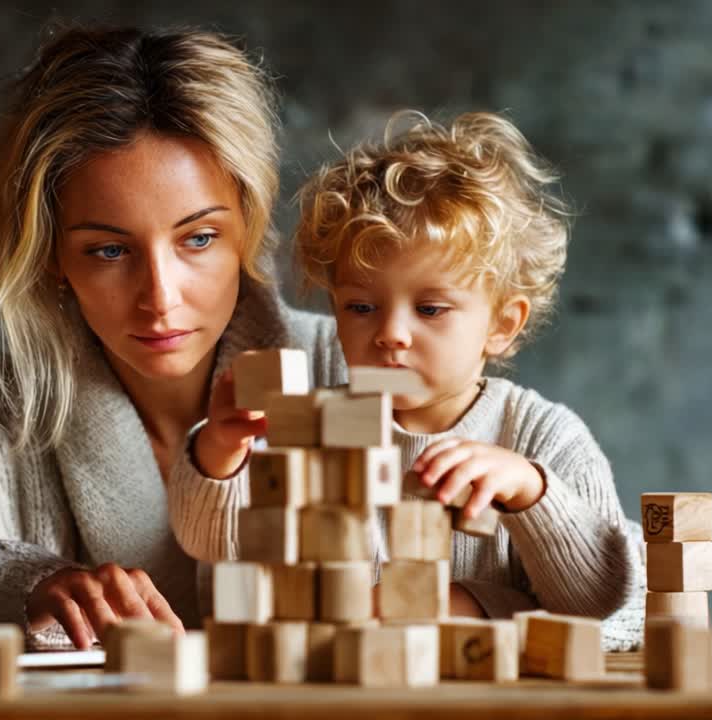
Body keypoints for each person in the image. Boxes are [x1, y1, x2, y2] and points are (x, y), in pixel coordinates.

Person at [0, 25, 345, 651]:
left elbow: (513, 578)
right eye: (110, 250)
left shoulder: (359, 373)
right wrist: (16, 583)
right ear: (52, 255)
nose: (160, 298)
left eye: (198, 238)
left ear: (248, 226)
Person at [176, 110, 646, 650]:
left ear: (501, 323)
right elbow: (214, 546)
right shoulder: (313, 423)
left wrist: (530, 496)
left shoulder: (544, 437)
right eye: (360, 306)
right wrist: (219, 451)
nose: (390, 333)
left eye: (429, 309)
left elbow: (609, 603)